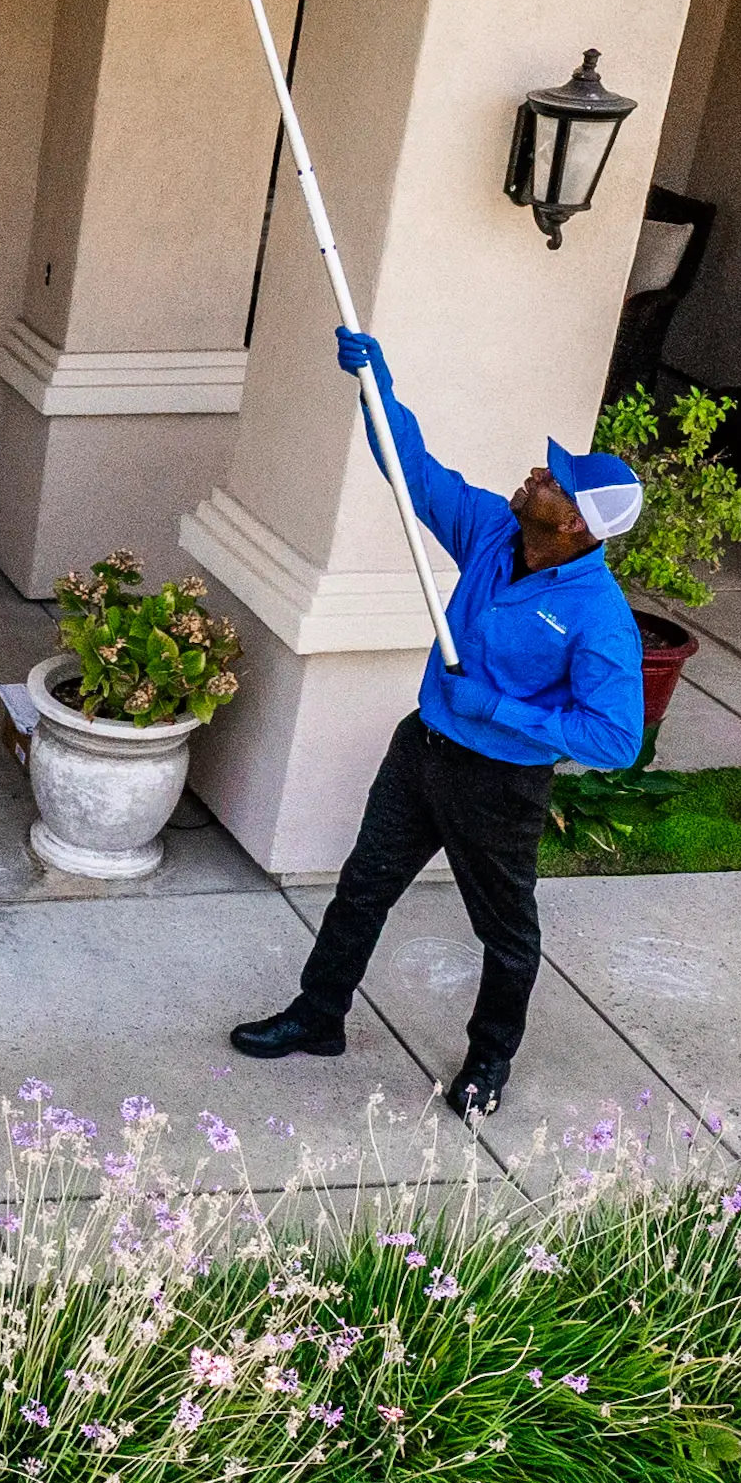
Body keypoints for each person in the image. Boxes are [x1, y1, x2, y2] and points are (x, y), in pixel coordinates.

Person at [231, 327, 656, 1115]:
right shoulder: (494, 531)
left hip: (498, 787)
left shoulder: (597, 619)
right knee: (360, 891)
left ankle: (487, 1065)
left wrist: (497, 709)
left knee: (505, 934)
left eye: (553, 481)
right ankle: (317, 1016)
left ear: (574, 526)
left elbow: (615, 740)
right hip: (419, 751)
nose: (536, 472)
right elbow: (412, 472)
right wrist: (376, 386)